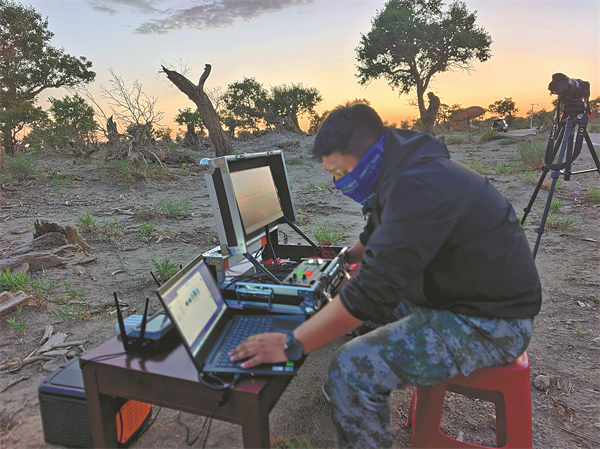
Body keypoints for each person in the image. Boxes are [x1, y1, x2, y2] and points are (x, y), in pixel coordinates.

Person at [229, 103, 542, 448]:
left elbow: (369, 294)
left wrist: (292, 345)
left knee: (352, 367)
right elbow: (375, 235)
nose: (337, 183)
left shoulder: (419, 186)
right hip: (457, 296)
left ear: (364, 159)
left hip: (492, 324)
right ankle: (352, 397)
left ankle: (352, 392)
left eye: (338, 171)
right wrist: (342, 258)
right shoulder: (404, 169)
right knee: (348, 299)